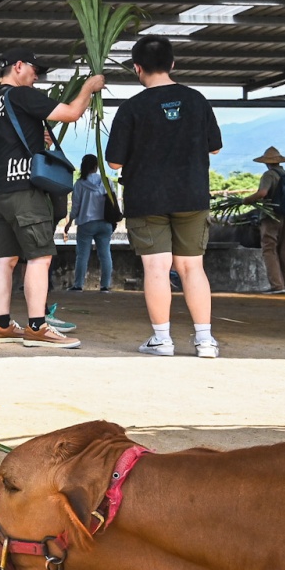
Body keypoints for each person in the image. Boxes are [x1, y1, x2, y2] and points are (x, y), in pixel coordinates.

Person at [0, 49, 103, 348]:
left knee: (4, 260)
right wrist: (88, 88)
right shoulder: (19, 95)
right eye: (33, 70)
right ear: (18, 66)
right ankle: (36, 327)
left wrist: (32, 137)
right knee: (40, 257)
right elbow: (71, 112)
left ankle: (2, 325)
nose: (36, 76)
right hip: (23, 190)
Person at [104, 34, 222, 358]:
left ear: (137, 68)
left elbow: (114, 162)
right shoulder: (197, 100)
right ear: (172, 63)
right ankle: (205, 341)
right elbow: (215, 145)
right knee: (192, 268)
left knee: (156, 268)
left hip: (147, 198)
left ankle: (162, 339)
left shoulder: (131, 108)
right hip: (192, 195)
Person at [248, 146, 285, 293]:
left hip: (271, 216)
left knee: (269, 249)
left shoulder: (269, 175)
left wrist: (246, 200)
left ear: (267, 162)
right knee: (284, 250)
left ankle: (277, 285)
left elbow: (262, 193)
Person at [65, 154, 114, 292]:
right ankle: (105, 285)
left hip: (86, 223)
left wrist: (70, 222)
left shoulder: (80, 184)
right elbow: (113, 200)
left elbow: (75, 206)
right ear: (96, 166)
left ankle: (78, 285)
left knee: (82, 255)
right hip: (105, 222)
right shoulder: (106, 181)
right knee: (105, 254)